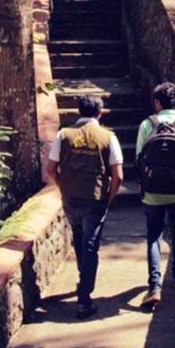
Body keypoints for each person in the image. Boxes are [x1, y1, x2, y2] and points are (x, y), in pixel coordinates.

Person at [46, 94, 123, 318]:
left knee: (78, 238)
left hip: (70, 197)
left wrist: (63, 187)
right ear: (99, 113)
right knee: (90, 245)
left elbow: (51, 169)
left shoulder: (64, 134)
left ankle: (83, 278)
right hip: (95, 198)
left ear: (79, 112)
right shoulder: (108, 137)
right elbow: (118, 174)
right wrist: (109, 197)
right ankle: (84, 298)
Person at [135, 81, 175, 309]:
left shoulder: (147, 124)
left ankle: (154, 287)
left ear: (158, 102)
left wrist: (143, 185)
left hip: (151, 193)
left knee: (154, 235)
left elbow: (138, 160)